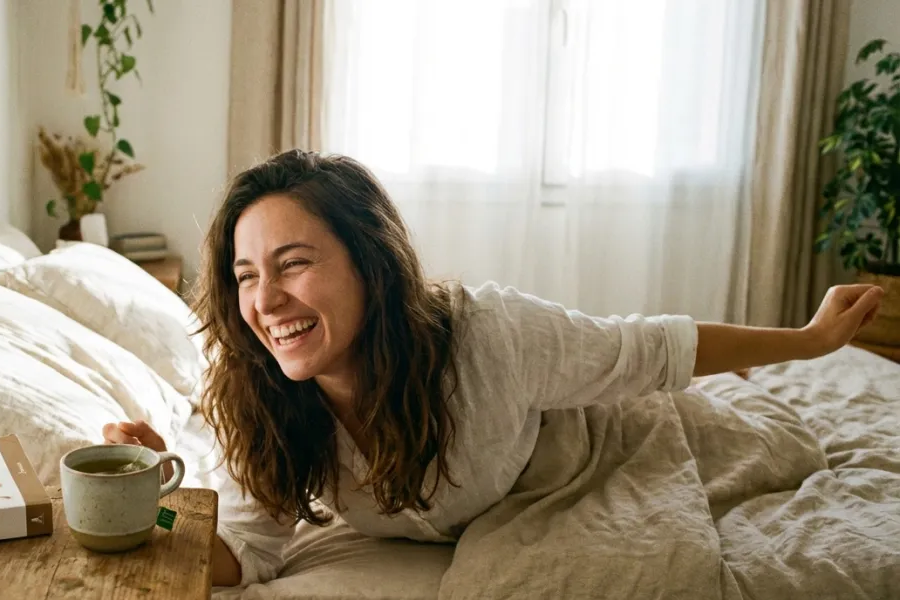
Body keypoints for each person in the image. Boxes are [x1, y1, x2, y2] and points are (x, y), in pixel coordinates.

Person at [103, 149, 885, 588]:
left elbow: (651, 349)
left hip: (601, 447)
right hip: (505, 510)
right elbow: (243, 552)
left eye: (294, 263)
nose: (266, 300)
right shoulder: (264, 402)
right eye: (244, 276)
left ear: (370, 267)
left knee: (779, 448)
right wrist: (147, 507)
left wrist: (809, 341)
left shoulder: (489, 335)